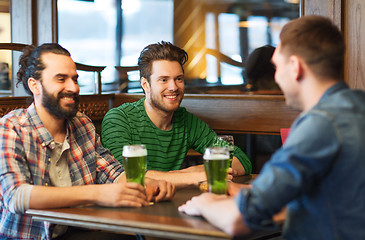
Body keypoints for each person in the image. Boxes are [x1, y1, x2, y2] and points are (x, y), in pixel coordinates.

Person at [178, 15, 365, 239]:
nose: (276, 77)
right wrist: (253, 193)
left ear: (295, 67)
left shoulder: (320, 125)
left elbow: (238, 221)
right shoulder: (357, 106)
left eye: (277, 66)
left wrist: (204, 203)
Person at [0, 43, 175, 240]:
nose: (73, 87)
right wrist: (97, 194)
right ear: (35, 85)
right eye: (61, 79)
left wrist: (150, 184)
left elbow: (112, 173)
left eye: (74, 79)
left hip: (78, 232)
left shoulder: (81, 123)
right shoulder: (11, 127)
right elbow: (16, 196)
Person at [101, 41, 252, 188]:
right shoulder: (119, 120)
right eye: (164, 80)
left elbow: (241, 159)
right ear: (145, 84)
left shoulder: (186, 121)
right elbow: (123, 177)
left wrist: (198, 172)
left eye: (178, 79)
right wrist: (193, 174)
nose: (173, 87)